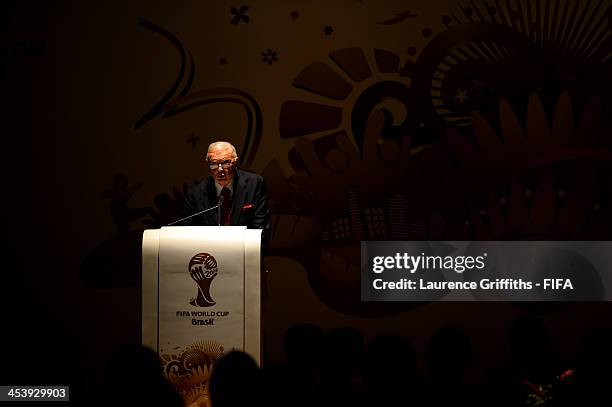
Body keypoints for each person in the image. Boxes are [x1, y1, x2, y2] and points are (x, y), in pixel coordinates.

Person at [183, 141, 271, 244]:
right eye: (214, 164)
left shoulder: (255, 184)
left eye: (225, 163)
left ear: (236, 162)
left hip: (245, 251)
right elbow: (188, 232)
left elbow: (261, 229)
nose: (220, 169)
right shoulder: (195, 193)